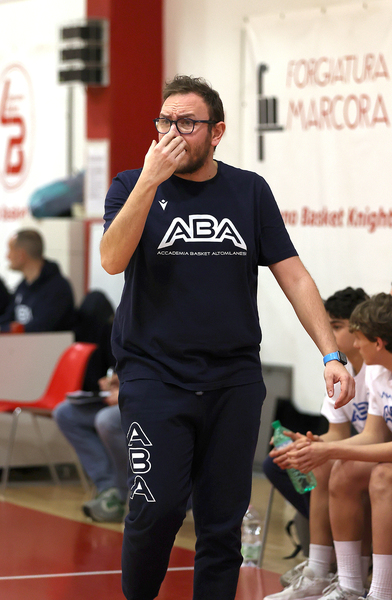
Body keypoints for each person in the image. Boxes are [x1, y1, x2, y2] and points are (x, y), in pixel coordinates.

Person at [100, 75, 355, 600]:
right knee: (156, 508)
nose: (173, 133)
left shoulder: (249, 191)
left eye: (187, 123)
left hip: (233, 378)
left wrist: (330, 352)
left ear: (216, 132)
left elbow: (294, 275)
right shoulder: (130, 185)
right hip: (154, 376)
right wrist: (150, 181)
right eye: (165, 121)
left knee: (222, 523)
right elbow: (111, 259)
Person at [263, 287, 370, 599]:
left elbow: (376, 438)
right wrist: (308, 443)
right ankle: (320, 569)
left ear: (360, 328)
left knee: (334, 467)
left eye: (336, 326)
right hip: (359, 453)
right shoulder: (342, 372)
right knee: (282, 462)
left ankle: (344, 571)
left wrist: (326, 449)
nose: (328, 334)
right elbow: (338, 433)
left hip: (374, 459)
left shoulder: (379, 372)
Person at [285, 292, 392, 600]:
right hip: (381, 454)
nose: (355, 345)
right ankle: (346, 584)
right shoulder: (377, 372)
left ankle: (381, 592)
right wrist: (317, 447)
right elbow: (373, 435)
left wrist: (331, 449)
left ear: (378, 342)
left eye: (359, 338)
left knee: (381, 476)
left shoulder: (370, 370)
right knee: (342, 470)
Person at [53, 370, 128, 522]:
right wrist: (108, 384)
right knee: (64, 413)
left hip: (145, 399)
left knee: (106, 421)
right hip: (117, 397)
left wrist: (127, 392)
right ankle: (108, 488)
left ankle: (127, 493)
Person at [0, 229, 75, 333]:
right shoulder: (23, 286)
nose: (7, 256)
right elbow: (9, 317)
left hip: (48, 343)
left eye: (10, 250)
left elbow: (41, 327)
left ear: (21, 255)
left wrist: (1, 329)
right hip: (23, 341)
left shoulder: (57, 288)